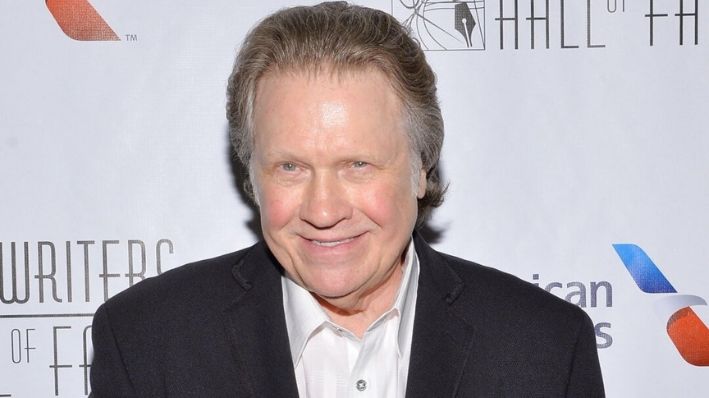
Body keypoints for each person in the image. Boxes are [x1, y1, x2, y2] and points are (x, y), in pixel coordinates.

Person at [89, 2, 605, 397]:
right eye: (290, 167)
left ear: (421, 168)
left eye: (357, 165)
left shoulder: (544, 349)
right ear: (252, 174)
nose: (323, 210)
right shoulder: (146, 344)